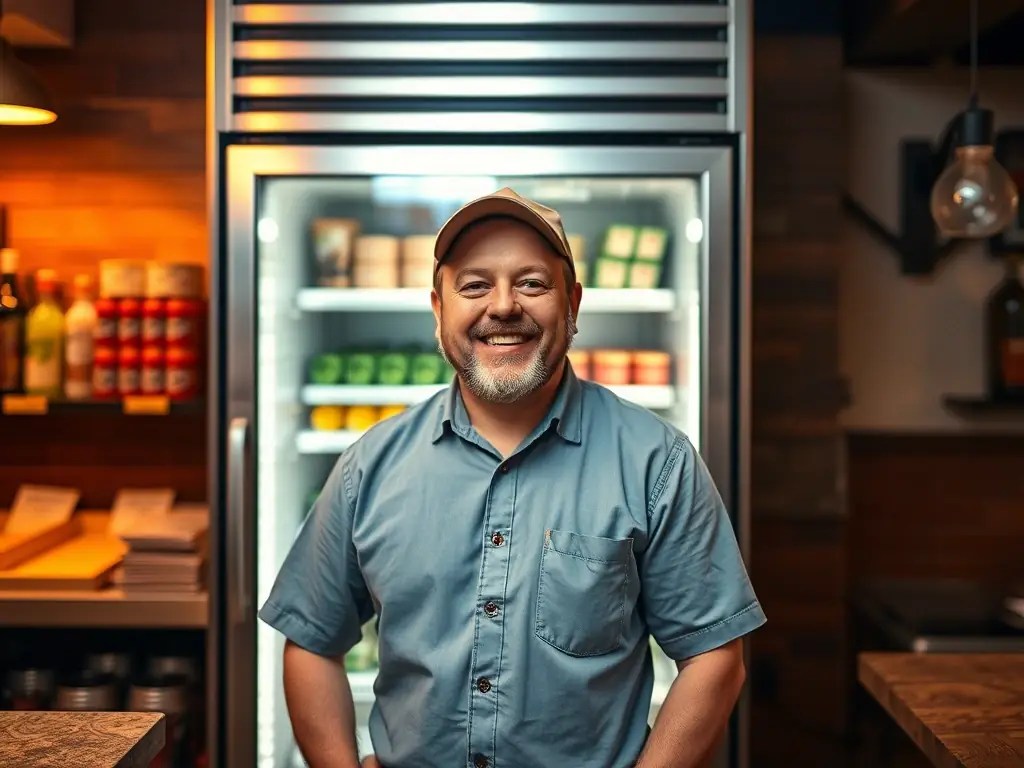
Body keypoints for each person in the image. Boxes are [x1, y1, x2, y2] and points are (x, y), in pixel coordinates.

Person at [259, 187, 767, 768]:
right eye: (474, 286)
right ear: (438, 309)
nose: (503, 306)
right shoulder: (369, 466)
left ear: (572, 304)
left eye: (533, 284)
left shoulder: (657, 461)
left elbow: (715, 659)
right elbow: (311, 641)